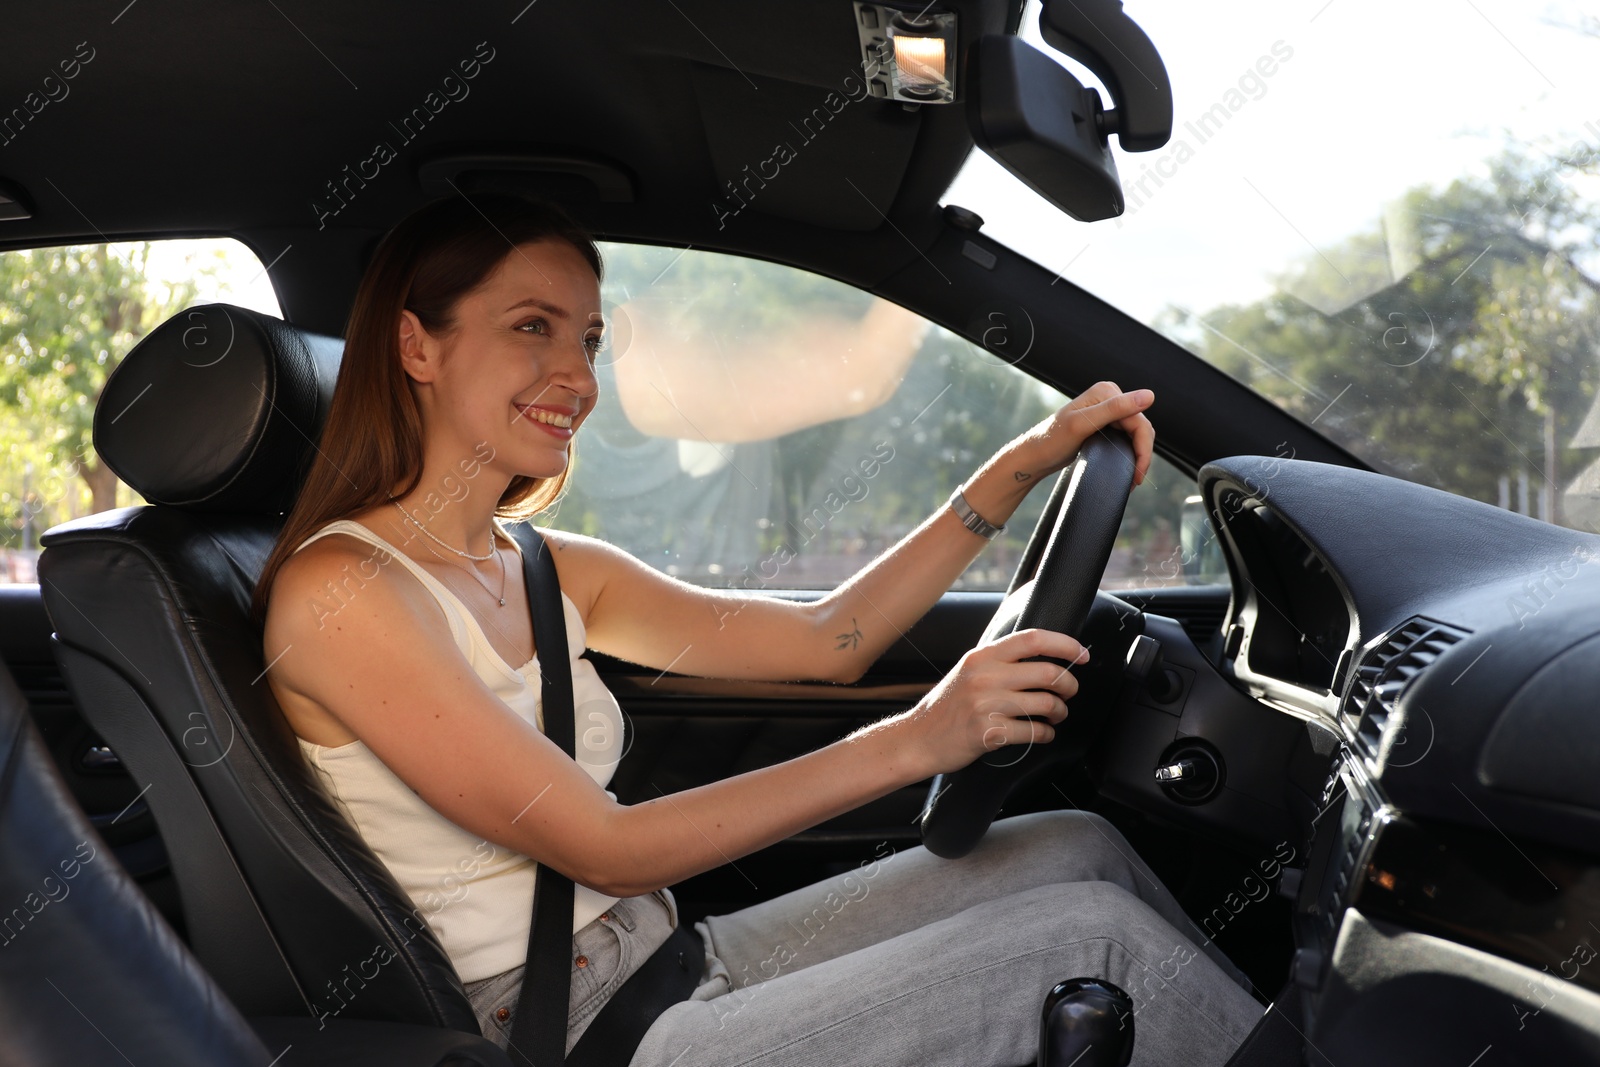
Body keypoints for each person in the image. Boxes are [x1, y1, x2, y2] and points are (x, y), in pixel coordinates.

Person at [253, 195, 1262, 1067]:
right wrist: (922, 735)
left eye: (590, 339)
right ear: (415, 343)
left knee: (1072, 848)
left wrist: (1025, 462)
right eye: (532, 327)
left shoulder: (550, 565)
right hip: (575, 1030)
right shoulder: (342, 591)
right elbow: (607, 846)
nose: (578, 376)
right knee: (1094, 946)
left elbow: (831, 636)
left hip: (667, 958)